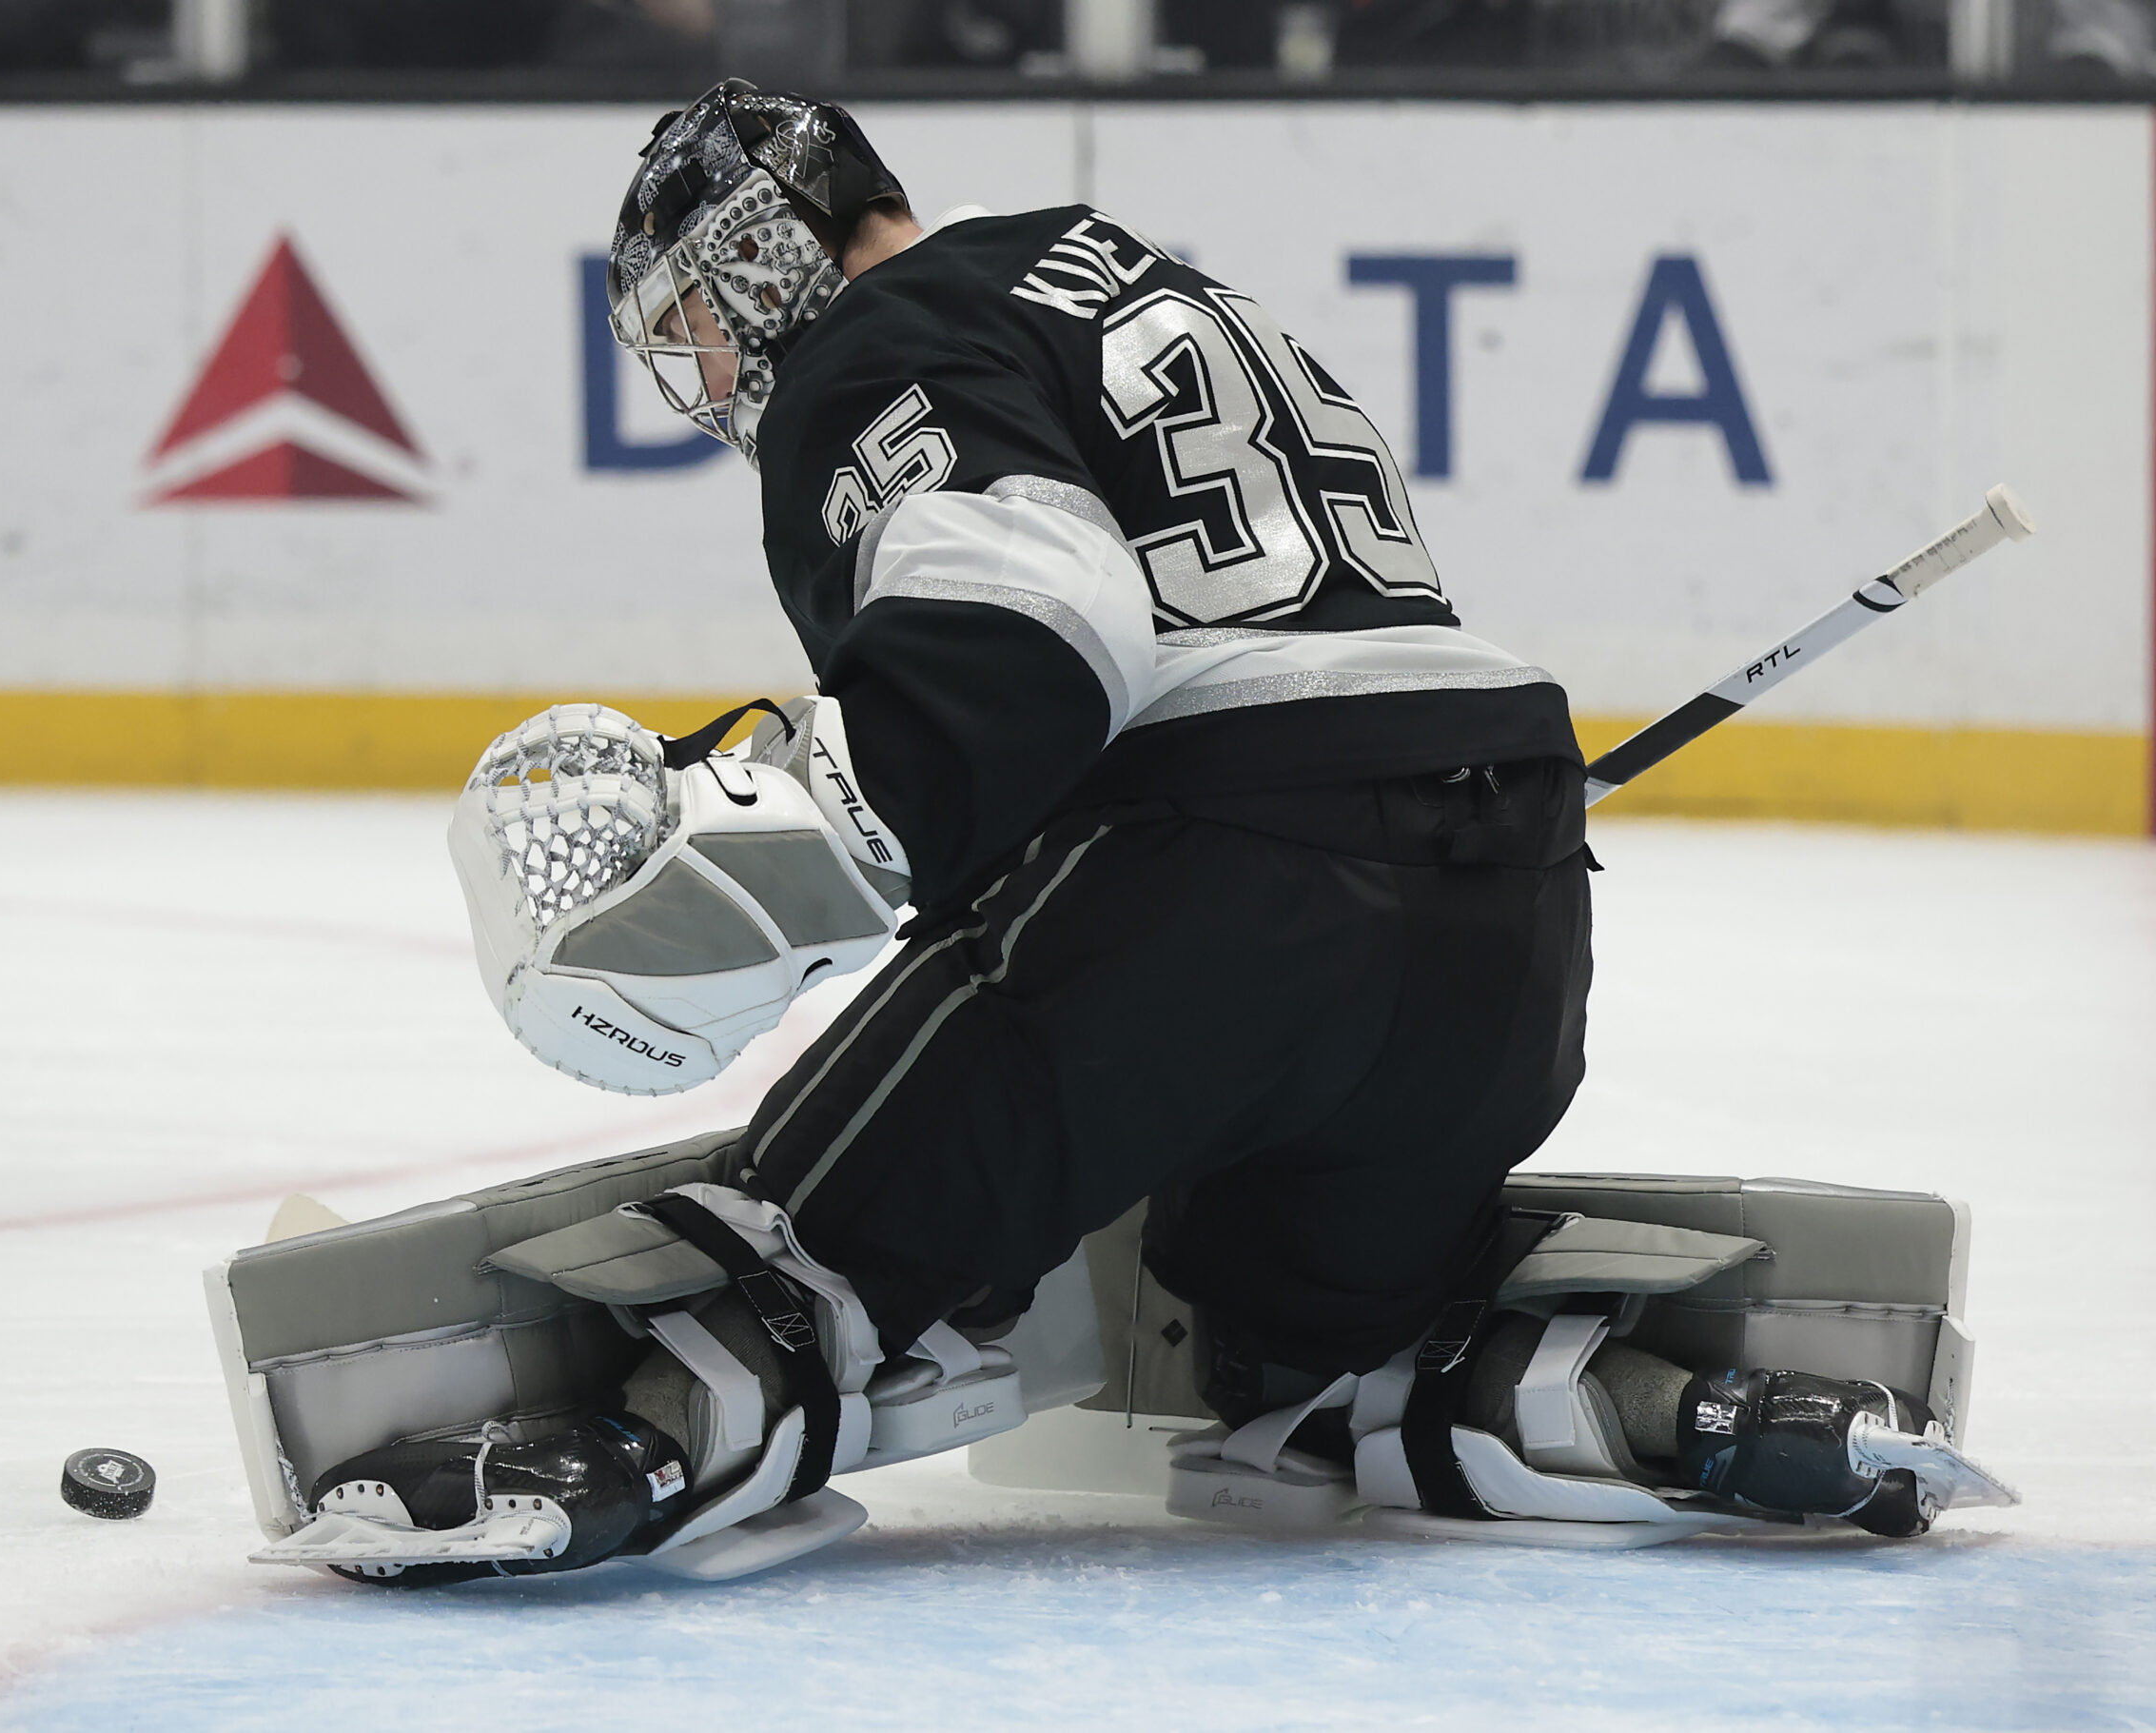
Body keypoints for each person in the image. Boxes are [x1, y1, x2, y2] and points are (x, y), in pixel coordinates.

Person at [252, 82, 2006, 1584]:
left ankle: (641, 1441)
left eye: (701, 314)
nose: (704, 366)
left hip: (1233, 894)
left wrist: (772, 852)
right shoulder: (1113, 274)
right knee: (1309, 1349)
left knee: (818, 1248)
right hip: (1515, 909)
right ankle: (1682, 1412)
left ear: (772, 253)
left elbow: (1024, 639)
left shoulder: (877, 336)